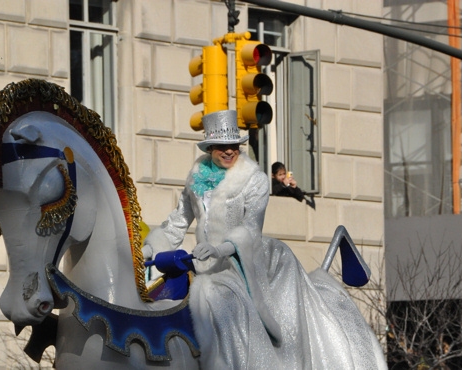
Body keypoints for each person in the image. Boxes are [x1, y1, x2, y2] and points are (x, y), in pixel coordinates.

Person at [142, 110, 386, 369]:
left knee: (219, 302)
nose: (229, 151)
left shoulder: (255, 181)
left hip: (250, 263)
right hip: (206, 266)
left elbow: (250, 228)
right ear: (211, 147)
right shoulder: (195, 179)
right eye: (223, 146)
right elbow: (179, 219)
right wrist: (149, 249)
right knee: (166, 294)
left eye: (233, 145)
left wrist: (218, 249)